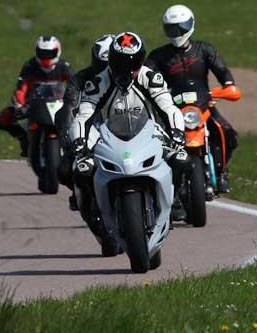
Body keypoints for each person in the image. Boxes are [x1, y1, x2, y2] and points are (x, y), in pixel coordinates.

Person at [69, 31, 185, 254]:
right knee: (80, 170)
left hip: (147, 131)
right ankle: (97, 217)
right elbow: (84, 116)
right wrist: (79, 145)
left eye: (133, 63)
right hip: (105, 133)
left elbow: (169, 108)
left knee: (181, 159)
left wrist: (178, 135)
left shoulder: (150, 77)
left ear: (141, 61)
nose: (127, 69)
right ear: (111, 60)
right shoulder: (97, 83)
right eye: (121, 62)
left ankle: (174, 201)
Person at [145, 4, 240, 193]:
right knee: (157, 143)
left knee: (228, 133)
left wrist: (228, 86)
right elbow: (146, 79)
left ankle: (222, 172)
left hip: (203, 105)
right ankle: (169, 190)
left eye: (181, 27)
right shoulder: (158, 56)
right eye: (172, 28)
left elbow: (222, 70)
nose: (177, 32)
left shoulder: (204, 49)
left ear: (191, 25)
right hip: (171, 108)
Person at [56, 33, 115, 209]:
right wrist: (68, 135)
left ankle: (172, 201)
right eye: (100, 64)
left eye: (108, 64)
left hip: (124, 127)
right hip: (92, 128)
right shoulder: (81, 79)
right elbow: (69, 106)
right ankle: (79, 191)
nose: (104, 70)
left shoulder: (129, 78)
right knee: (65, 170)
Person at [0, 36, 73, 156]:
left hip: (59, 104)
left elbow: (74, 85)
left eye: (49, 53)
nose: (46, 57)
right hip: (34, 104)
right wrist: (20, 105)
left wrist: (74, 101)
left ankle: (76, 147)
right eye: (42, 53)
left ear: (57, 51)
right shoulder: (30, 66)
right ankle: (23, 137)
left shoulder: (64, 66)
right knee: (4, 118)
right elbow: (21, 88)